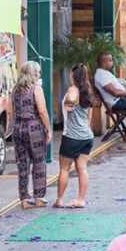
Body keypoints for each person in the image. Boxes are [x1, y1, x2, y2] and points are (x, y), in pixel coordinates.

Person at [8, 60, 51, 209]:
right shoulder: (35, 89)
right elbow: (42, 110)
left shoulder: (14, 90)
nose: (39, 74)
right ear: (33, 73)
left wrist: (17, 126)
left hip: (18, 127)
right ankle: (39, 197)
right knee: (39, 162)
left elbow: (10, 112)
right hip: (34, 128)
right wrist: (49, 128)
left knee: (22, 165)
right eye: (37, 72)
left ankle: (24, 199)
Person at [55, 62, 94, 209]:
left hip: (72, 136)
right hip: (86, 136)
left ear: (73, 75)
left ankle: (59, 199)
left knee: (64, 169)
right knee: (82, 168)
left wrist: (69, 103)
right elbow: (89, 117)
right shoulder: (88, 91)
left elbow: (71, 98)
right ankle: (81, 199)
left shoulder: (73, 89)